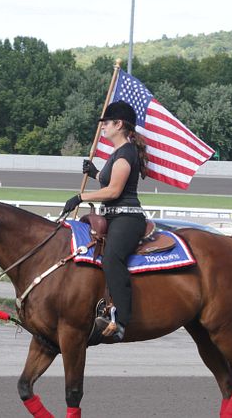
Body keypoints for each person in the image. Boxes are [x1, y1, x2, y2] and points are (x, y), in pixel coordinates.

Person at [61, 101, 149, 342]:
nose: (103, 128)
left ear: (118, 124)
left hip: (127, 218)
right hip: (112, 216)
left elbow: (113, 191)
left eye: (106, 123)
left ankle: (121, 322)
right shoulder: (118, 154)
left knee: (112, 257)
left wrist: (81, 196)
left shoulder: (126, 153)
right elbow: (107, 178)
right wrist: (94, 172)